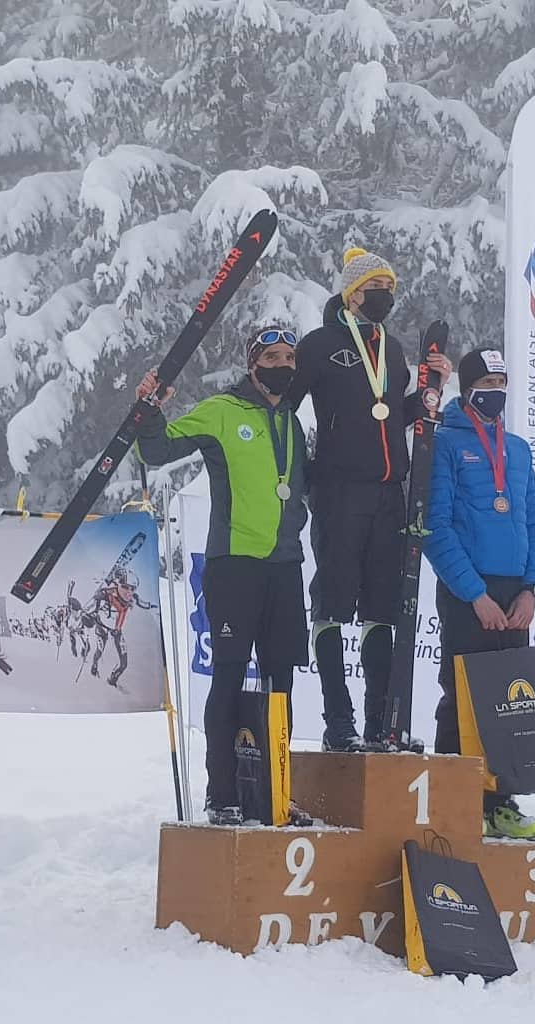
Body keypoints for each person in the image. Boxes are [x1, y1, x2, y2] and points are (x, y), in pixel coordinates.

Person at [136, 327, 311, 825]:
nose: (283, 365)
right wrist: (149, 408)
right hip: (234, 566)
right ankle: (223, 795)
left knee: (282, 683)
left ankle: (277, 791)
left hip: (284, 567)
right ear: (253, 364)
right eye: (272, 357)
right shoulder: (222, 411)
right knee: (230, 678)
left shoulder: (291, 422)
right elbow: (158, 450)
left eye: (289, 358)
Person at [289, 248, 451, 751]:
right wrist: (297, 473)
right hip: (338, 491)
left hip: (388, 492)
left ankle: (382, 721)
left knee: (382, 608)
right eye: (375, 288)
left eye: (390, 289)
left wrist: (430, 386)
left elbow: (394, 413)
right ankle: (338, 721)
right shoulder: (320, 345)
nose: (385, 297)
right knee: (334, 604)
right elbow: (283, 406)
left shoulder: (394, 348)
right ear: (351, 293)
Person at [423, 348, 535, 840]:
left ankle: (501, 803)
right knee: (461, 700)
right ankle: (455, 804)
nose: (496, 393)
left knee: (509, 705)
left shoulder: (517, 449)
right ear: (467, 388)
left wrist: (533, 588)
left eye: (502, 383)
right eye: (487, 383)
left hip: (515, 592)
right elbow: (435, 527)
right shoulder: (445, 443)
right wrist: (474, 594)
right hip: (467, 591)